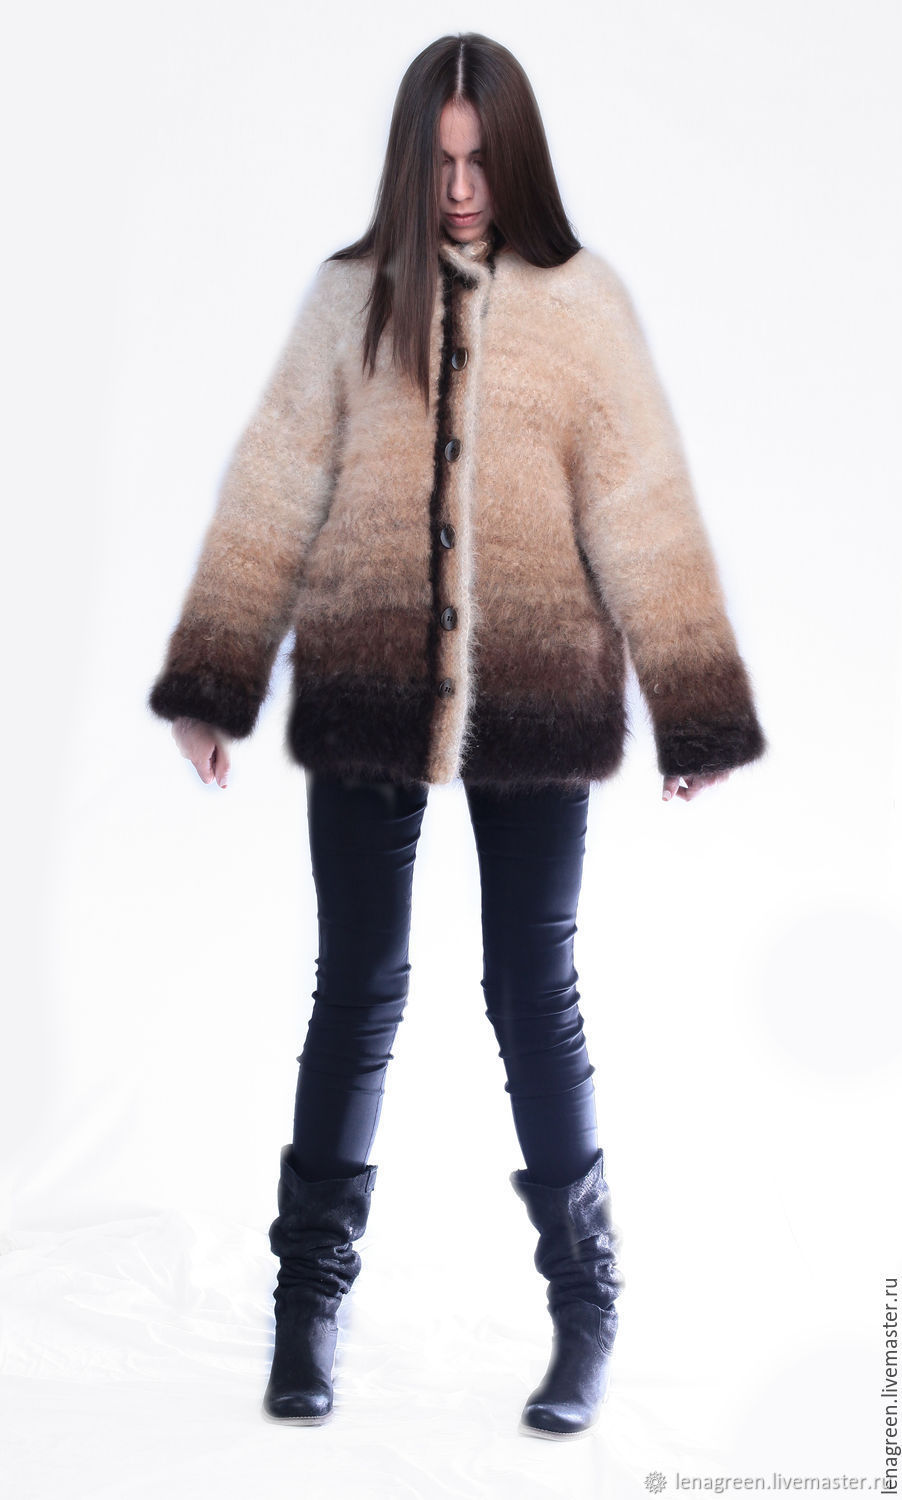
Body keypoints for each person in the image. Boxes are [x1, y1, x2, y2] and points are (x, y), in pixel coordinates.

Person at [148, 32, 765, 1441]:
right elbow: (274, 487)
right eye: (440, 163)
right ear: (407, 162)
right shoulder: (350, 298)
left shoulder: (581, 304)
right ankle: (307, 1304)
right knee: (356, 988)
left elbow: (640, 507)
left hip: (539, 690)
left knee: (531, 992)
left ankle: (585, 1305)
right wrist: (213, 681)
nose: (464, 188)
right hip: (369, 681)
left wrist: (692, 705)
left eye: (483, 160)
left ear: (519, 155)